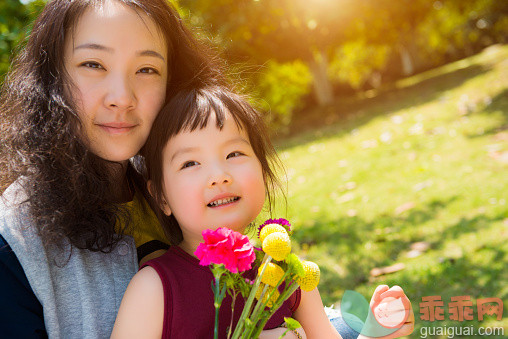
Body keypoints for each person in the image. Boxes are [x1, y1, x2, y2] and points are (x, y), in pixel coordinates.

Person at [111, 86, 414, 338]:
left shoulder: (287, 277)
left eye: (234, 154)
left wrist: (374, 333)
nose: (219, 175)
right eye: (190, 163)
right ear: (161, 196)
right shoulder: (156, 289)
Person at [0, 0, 223, 337]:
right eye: (93, 64)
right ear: (52, 79)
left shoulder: (183, 184)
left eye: (147, 69)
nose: (122, 97)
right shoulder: (14, 245)